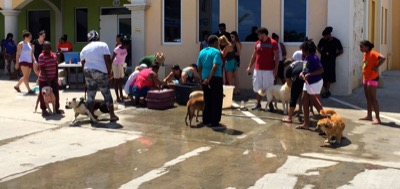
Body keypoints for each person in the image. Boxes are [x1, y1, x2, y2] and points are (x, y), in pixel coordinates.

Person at [80, 30, 119, 122]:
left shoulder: (84, 49)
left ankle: (91, 116)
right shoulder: (103, 45)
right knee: (106, 93)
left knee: (91, 95)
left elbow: (83, 65)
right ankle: (112, 115)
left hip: (88, 72)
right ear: (97, 37)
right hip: (100, 72)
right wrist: (110, 72)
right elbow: (107, 60)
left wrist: (85, 79)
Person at [246, 27, 279, 111]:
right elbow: (253, 56)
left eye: (259, 34)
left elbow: (277, 57)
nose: (257, 36)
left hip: (269, 70)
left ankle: (270, 104)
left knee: (269, 87)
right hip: (258, 69)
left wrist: (276, 69)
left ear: (263, 34)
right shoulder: (257, 43)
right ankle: (258, 104)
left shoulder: (273, 43)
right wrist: (249, 66)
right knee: (258, 87)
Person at [296, 40, 324, 130]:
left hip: (315, 82)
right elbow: (305, 70)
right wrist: (302, 73)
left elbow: (321, 70)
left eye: (304, 50)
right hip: (307, 82)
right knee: (304, 99)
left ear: (308, 50)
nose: (302, 52)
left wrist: (311, 74)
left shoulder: (314, 58)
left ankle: (326, 122)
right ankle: (306, 123)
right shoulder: (306, 58)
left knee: (315, 102)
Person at [197, 35, 224, 128]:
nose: (218, 45)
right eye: (217, 43)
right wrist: (209, 79)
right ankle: (214, 122)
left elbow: (199, 67)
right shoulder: (216, 52)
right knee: (216, 100)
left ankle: (206, 120)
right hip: (215, 79)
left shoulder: (202, 52)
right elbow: (215, 65)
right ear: (214, 43)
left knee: (207, 100)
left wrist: (202, 80)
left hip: (204, 79)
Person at [359, 40, 386, 125]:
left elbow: (383, 58)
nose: (360, 48)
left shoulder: (373, 53)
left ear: (367, 47)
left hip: (373, 78)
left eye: (362, 46)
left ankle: (377, 118)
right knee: (368, 98)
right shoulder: (365, 54)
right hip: (366, 78)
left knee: (373, 98)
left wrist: (376, 66)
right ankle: (369, 115)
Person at [38, 41, 63, 116]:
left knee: (55, 94)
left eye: (49, 48)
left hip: (53, 79)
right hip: (43, 79)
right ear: (43, 48)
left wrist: (56, 77)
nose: (47, 49)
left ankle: (56, 108)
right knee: (43, 95)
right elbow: (42, 69)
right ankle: (44, 109)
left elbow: (56, 66)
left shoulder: (54, 55)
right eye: (46, 48)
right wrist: (47, 79)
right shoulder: (41, 56)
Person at [317, 27, 343, 98]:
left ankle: (326, 91)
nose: (324, 37)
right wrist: (322, 53)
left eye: (325, 36)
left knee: (329, 77)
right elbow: (318, 48)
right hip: (323, 61)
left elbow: (341, 50)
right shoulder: (322, 40)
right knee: (322, 76)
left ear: (329, 35)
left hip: (331, 62)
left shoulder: (336, 41)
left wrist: (334, 56)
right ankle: (326, 91)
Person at [281, 59, 305, 123]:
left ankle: (289, 118)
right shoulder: (299, 61)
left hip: (298, 76)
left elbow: (289, 84)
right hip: (308, 73)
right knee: (304, 95)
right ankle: (301, 110)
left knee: (293, 96)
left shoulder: (288, 69)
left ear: (286, 66)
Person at [14, 30, 37, 94]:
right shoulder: (20, 44)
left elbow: (32, 54)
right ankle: (29, 90)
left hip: (29, 62)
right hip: (23, 61)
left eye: (31, 37)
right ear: (25, 37)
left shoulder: (30, 44)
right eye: (29, 37)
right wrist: (17, 63)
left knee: (25, 76)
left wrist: (34, 60)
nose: (31, 38)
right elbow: (17, 54)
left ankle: (17, 86)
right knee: (26, 77)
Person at [111, 38, 130, 102]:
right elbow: (112, 58)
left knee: (121, 80)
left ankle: (121, 95)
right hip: (116, 65)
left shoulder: (125, 49)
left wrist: (124, 66)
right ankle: (117, 97)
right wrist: (110, 69)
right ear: (123, 44)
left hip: (122, 65)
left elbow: (124, 58)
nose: (128, 47)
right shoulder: (117, 49)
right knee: (116, 81)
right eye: (127, 45)